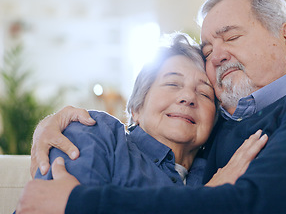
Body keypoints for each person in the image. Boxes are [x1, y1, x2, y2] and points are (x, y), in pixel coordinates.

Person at [17, 0, 286, 213]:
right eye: (207, 49)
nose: (216, 56)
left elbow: (256, 205)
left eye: (231, 37)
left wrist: (81, 203)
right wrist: (55, 122)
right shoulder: (219, 130)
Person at [31, 33, 267, 189]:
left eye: (204, 93)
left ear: (214, 119)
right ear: (136, 107)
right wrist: (206, 200)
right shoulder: (95, 133)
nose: (187, 97)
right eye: (172, 84)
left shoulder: (222, 169)